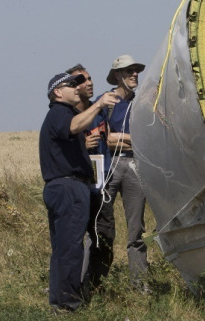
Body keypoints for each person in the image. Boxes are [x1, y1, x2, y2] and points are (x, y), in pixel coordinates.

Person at [39, 72, 119, 312]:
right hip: (68, 187)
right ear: (57, 92)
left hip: (64, 187)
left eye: (78, 84)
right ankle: (68, 304)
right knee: (72, 247)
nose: (77, 88)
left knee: (64, 248)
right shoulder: (60, 112)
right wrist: (99, 105)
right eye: (70, 85)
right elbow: (73, 126)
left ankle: (60, 302)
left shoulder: (63, 114)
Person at [98, 54, 149, 290]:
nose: (134, 74)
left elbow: (147, 141)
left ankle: (139, 285)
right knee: (101, 226)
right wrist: (127, 140)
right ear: (117, 75)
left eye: (136, 70)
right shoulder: (106, 102)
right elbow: (105, 140)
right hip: (110, 165)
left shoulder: (141, 105)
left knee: (136, 229)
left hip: (135, 165)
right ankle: (95, 281)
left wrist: (123, 138)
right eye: (129, 71)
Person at [65, 64, 114, 292]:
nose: (89, 82)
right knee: (75, 241)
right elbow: (58, 151)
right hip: (78, 187)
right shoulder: (67, 116)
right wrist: (82, 146)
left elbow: (111, 138)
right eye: (82, 80)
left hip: (101, 186)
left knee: (104, 236)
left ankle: (96, 285)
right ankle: (73, 287)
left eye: (90, 78)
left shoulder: (100, 110)